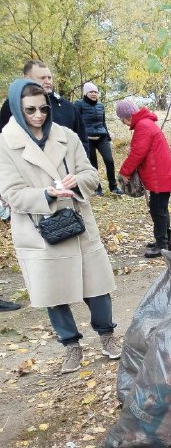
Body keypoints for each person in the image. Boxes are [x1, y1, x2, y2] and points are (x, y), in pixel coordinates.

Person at [0, 79, 119, 374]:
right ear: (17, 108)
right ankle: (71, 346)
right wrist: (46, 194)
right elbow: (11, 193)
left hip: (77, 221)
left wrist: (77, 181)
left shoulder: (66, 135)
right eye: (30, 110)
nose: (39, 115)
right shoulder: (5, 143)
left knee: (98, 286)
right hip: (39, 229)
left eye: (43, 108)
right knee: (52, 292)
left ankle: (108, 336)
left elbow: (91, 175)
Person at [115, 99, 171, 258]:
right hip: (162, 174)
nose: (123, 123)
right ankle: (164, 241)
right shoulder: (145, 123)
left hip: (161, 176)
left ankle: (162, 245)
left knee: (158, 210)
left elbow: (137, 153)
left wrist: (124, 173)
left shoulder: (143, 126)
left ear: (126, 117)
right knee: (160, 209)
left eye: (121, 119)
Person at [0, 60, 89, 155]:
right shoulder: (12, 105)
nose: (48, 82)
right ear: (27, 78)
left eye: (49, 78)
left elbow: (82, 140)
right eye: (42, 78)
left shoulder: (67, 107)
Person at [74, 82, 122, 196]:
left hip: (102, 137)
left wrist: (109, 139)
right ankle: (97, 188)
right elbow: (76, 121)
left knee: (109, 161)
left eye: (95, 92)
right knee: (93, 165)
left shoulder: (100, 106)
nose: (94, 94)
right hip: (87, 138)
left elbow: (103, 122)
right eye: (91, 92)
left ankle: (113, 187)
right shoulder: (78, 104)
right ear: (85, 93)